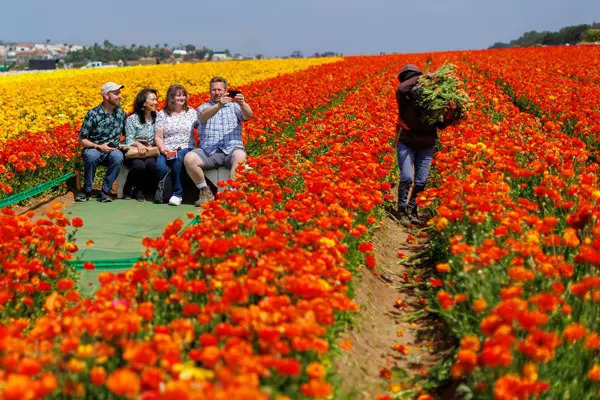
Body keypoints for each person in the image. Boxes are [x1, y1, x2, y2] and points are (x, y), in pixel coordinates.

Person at [184, 76, 253, 206]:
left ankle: (232, 194)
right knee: (189, 159)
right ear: (210, 92)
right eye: (214, 90)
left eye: (219, 90)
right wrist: (219, 105)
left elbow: (248, 115)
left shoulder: (235, 107)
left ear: (225, 91)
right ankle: (205, 191)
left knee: (240, 156)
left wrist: (243, 103)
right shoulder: (203, 107)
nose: (217, 92)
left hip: (231, 149)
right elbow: (203, 118)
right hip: (209, 151)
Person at [393, 64, 436, 224]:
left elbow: (443, 123)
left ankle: (413, 209)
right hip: (407, 142)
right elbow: (401, 89)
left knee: (421, 181)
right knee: (406, 177)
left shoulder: (432, 100)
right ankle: (402, 209)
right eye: (411, 80)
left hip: (426, 143)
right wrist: (422, 77)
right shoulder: (404, 99)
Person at [76, 82, 126, 202]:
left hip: (112, 150)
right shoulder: (93, 114)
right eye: (116, 93)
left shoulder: (121, 113)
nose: (119, 96)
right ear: (106, 96)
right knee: (91, 155)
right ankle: (87, 191)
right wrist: (98, 146)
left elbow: (126, 134)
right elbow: (81, 139)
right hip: (94, 148)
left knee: (118, 156)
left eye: (119, 93)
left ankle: (105, 192)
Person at [154, 84, 196, 206]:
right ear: (171, 98)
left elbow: (202, 127)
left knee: (177, 158)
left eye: (183, 95)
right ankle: (165, 192)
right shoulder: (162, 114)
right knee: (160, 166)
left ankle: (178, 194)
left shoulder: (191, 112)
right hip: (167, 148)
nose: (182, 98)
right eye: (178, 96)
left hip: (186, 147)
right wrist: (163, 149)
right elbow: (158, 136)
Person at [123, 88, 159, 201]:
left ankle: (143, 189)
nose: (156, 102)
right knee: (139, 165)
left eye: (156, 99)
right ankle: (133, 189)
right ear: (143, 102)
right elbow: (129, 139)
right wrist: (139, 145)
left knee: (151, 165)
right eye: (153, 100)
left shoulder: (157, 117)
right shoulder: (132, 119)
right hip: (135, 151)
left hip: (150, 151)